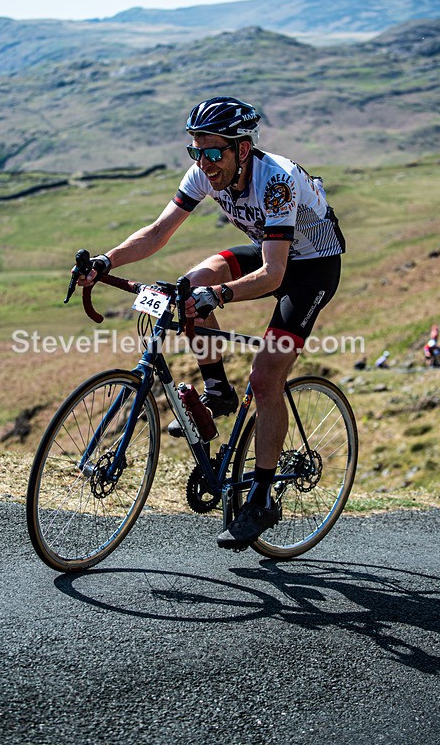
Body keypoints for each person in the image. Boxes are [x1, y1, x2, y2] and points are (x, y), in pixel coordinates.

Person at [77, 97, 345, 550]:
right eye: (196, 151)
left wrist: (217, 296)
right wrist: (106, 260)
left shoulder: (274, 181)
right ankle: (217, 390)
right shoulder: (204, 172)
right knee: (188, 286)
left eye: (214, 152)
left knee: (265, 378)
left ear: (242, 149)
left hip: (311, 267)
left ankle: (260, 497)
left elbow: (275, 275)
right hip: (269, 251)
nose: (204, 162)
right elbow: (157, 232)